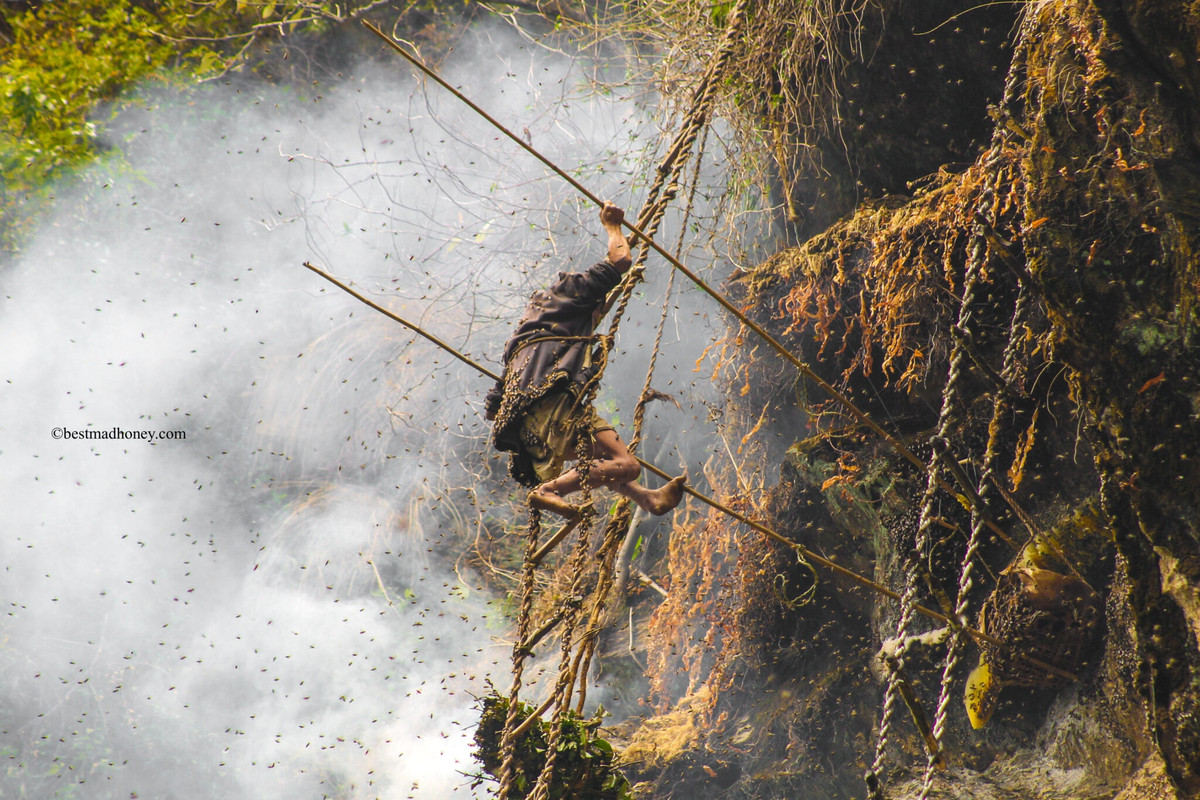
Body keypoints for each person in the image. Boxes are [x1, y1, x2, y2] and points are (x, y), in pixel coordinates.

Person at [484, 203, 686, 518]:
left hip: (533, 435)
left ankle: (647, 499)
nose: (598, 313)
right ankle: (549, 491)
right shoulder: (572, 292)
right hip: (556, 412)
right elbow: (620, 259)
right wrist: (612, 227)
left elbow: (494, 404)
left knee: (608, 460)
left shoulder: (525, 338)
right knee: (627, 464)